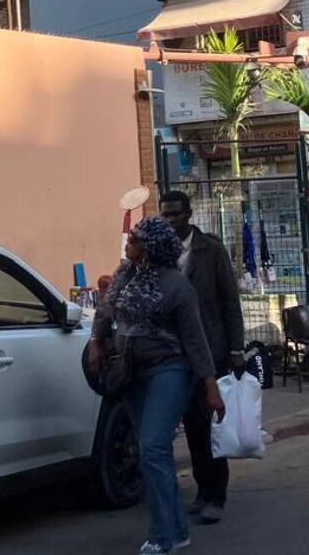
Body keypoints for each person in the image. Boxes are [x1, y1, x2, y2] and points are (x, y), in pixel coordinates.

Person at [87, 217, 225, 555]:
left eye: (135, 239)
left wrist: (210, 386)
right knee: (149, 451)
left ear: (151, 247)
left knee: (152, 448)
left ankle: (163, 536)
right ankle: (177, 529)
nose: (129, 242)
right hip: (130, 372)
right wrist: (96, 341)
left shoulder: (176, 285)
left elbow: (195, 339)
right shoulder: (125, 274)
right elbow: (105, 312)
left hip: (168, 370)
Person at [158, 190, 243, 524]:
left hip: (212, 349)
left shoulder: (210, 250)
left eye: (175, 214)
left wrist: (236, 348)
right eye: (165, 215)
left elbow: (230, 300)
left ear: (189, 214)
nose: (170, 220)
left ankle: (216, 495)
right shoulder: (161, 253)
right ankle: (202, 490)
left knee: (212, 426)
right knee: (194, 427)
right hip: (176, 352)